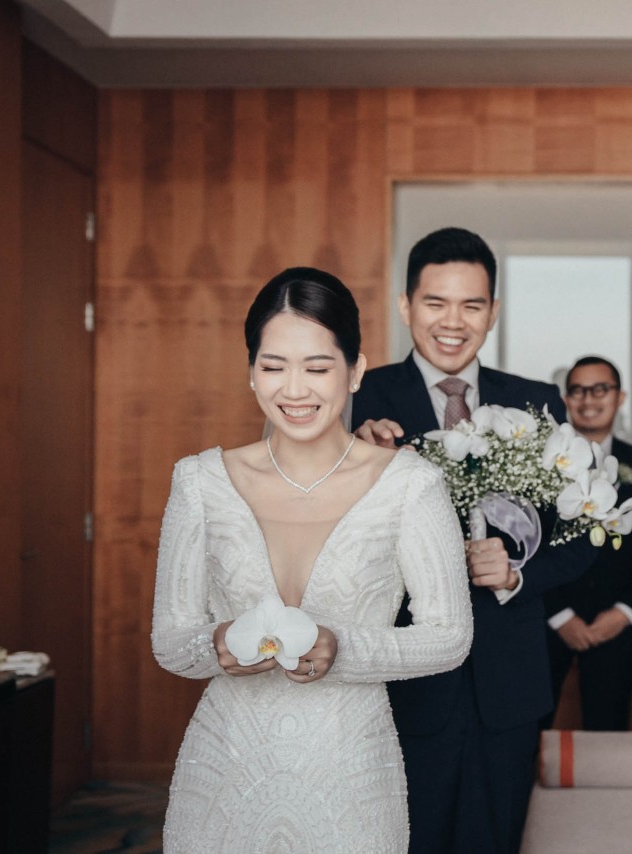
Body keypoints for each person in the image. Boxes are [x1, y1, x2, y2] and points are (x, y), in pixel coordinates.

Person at [151, 268, 473, 853]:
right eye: (274, 366)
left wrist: (341, 648)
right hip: (225, 773)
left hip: (351, 776)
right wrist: (215, 644)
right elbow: (170, 642)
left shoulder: (410, 485)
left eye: (318, 368)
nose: (294, 390)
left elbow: (450, 637)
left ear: (355, 371)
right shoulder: (200, 481)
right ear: (251, 372)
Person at [350, 227, 596, 854]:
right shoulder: (359, 403)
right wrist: (355, 461)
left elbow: (583, 538)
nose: (453, 322)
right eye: (435, 302)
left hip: (507, 679)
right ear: (405, 306)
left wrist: (517, 574)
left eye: (471, 305)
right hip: (400, 676)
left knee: (497, 839)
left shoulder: (538, 403)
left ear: (493, 311)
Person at [542, 356, 632, 731]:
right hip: (548, 620)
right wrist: (559, 615)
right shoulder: (542, 462)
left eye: (600, 389)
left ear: (619, 397)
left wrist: (625, 612)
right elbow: (526, 545)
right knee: (529, 733)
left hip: (615, 621)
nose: (589, 399)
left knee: (608, 730)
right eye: (578, 390)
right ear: (566, 399)